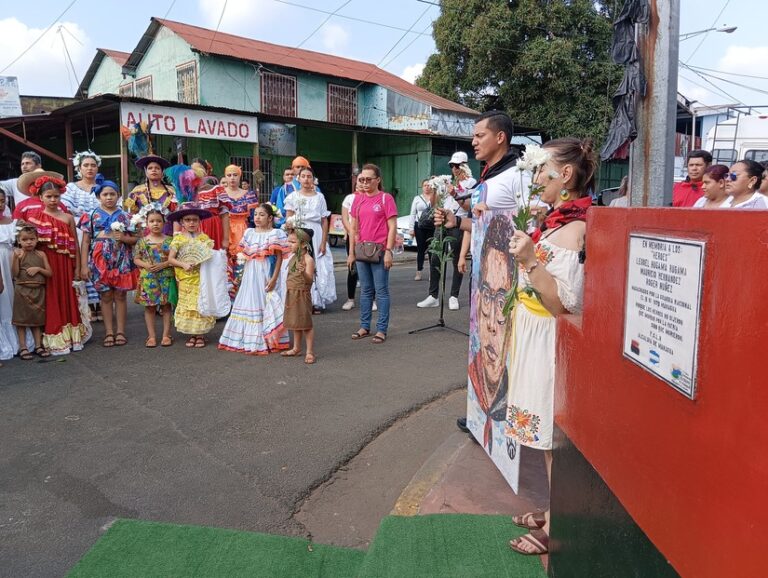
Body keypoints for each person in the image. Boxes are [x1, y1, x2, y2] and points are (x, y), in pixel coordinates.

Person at [502, 137, 595, 556]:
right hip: (530, 335)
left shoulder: (576, 229)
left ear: (566, 175)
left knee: (553, 438)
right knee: (539, 431)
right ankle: (554, 506)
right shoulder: (556, 220)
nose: (537, 177)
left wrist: (529, 262)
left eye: (543, 170)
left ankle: (558, 522)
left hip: (549, 341)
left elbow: (563, 304)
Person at [13, 171, 87, 355]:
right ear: (40, 197)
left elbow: (75, 246)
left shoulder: (68, 217)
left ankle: (72, 337)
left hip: (65, 264)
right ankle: (54, 337)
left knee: (68, 296)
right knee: (51, 299)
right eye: (49, 196)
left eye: (56, 196)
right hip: (47, 265)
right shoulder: (34, 218)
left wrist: (77, 267)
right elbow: (26, 242)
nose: (53, 200)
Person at [468, 213, 516, 451]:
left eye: (502, 300)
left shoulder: (515, 390)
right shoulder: (473, 376)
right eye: (487, 296)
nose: (491, 324)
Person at [219, 204, 289, 355]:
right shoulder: (249, 233)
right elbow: (244, 257)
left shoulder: (276, 233)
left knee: (266, 301)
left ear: (270, 218)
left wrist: (275, 278)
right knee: (249, 300)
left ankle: (269, 337)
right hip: (251, 273)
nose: (257, 217)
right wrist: (239, 276)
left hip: (266, 272)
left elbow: (278, 258)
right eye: (256, 214)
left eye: (262, 214)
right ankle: (248, 338)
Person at [80, 177, 137, 347]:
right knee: (105, 295)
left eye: (113, 194)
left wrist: (125, 238)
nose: (109, 197)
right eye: (105, 194)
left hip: (122, 258)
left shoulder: (127, 216)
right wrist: (84, 265)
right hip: (100, 260)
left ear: (118, 196)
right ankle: (109, 332)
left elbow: (135, 239)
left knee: (120, 294)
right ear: (98, 197)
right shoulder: (91, 216)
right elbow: (85, 242)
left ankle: (120, 331)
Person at [348, 164, 397, 344]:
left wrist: (389, 251)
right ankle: (364, 326)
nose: (365, 182)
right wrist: (351, 252)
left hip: (380, 250)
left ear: (378, 180)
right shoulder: (358, 200)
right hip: (361, 250)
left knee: (381, 291)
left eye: (369, 179)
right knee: (366, 291)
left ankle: (382, 329)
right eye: (362, 179)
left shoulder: (386, 199)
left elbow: (392, 227)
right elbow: (353, 228)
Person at [284, 166, 336, 313]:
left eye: (309, 176)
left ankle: (315, 302)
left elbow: (324, 220)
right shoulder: (293, 197)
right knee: (299, 264)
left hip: (316, 232)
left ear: (313, 179)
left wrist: (324, 241)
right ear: (298, 178)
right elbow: (289, 218)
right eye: (303, 176)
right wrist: (291, 236)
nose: (306, 179)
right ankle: (299, 300)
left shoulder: (319, 197)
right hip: (298, 232)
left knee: (316, 266)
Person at [167, 203, 216, 348]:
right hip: (185, 278)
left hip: (201, 277)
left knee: (200, 304)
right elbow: (170, 259)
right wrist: (183, 264)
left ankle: (200, 334)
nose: (191, 223)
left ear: (199, 221)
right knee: (188, 305)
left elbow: (209, 257)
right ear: (182, 222)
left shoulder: (204, 238)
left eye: (195, 220)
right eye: (188, 220)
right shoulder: (178, 239)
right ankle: (192, 333)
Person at [63, 150, 104, 317]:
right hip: (79, 232)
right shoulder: (72, 188)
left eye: (93, 165)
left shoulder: (102, 187)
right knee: (82, 266)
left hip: (100, 230)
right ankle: (86, 306)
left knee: (99, 263)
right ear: (79, 168)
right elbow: (66, 210)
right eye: (86, 165)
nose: (90, 168)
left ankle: (100, 303)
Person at [417, 180, 464, 311]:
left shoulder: (470, 183)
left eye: (457, 166)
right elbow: (433, 205)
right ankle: (433, 296)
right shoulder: (445, 182)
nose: (455, 169)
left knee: (456, 260)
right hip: (441, 222)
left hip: (457, 222)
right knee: (435, 259)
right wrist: (435, 190)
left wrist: (454, 193)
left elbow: (467, 207)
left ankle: (454, 296)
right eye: (453, 166)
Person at [133, 206, 175, 348]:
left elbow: (174, 259)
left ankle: (166, 335)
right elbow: (136, 259)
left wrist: (164, 265)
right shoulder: (142, 241)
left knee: (166, 306)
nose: (155, 224)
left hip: (166, 277)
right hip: (149, 278)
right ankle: (151, 336)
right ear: (147, 223)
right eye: (152, 221)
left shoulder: (170, 240)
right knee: (150, 308)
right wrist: (145, 265)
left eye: (158, 221)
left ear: (164, 223)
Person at [11, 222, 52, 360]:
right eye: (24, 240)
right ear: (19, 240)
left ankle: (38, 346)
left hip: (38, 290)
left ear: (37, 239)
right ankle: (23, 347)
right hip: (22, 290)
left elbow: (50, 273)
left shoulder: (41, 254)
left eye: (32, 239)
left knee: (37, 320)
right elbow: (15, 274)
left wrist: (38, 269)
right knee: (21, 320)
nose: (28, 242)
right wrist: (16, 259)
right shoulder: (18, 254)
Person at [281, 228, 316, 364]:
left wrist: (303, 273)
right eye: (288, 241)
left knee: (305, 323)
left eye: (292, 242)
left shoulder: (308, 260)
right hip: (292, 292)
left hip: (302, 294)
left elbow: (309, 280)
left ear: (303, 244)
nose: (289, 244)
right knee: (295, 321)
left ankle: (310, 352)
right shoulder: (293, 257)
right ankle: (296, 348)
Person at [124, 155, 177, 232]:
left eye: (157, 168)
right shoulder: (137, 191)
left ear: (162, 172)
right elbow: (132, 215)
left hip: (167, 233)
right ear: (146, 172)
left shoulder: (171, 191)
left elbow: (176, 215)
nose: (154, 170)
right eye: (150, 168)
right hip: (144, 233)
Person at [222, 165, 259, 262]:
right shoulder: (220, 194)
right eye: (229, 175)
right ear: (225, 177)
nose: (232, 178)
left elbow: (254, 217)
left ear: (240, 176)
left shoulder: (249, 194)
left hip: (243, 230)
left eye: (235, 175)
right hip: (224, 230)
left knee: (241, 260)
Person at [195, 177, 231, 251]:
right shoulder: (188, 192)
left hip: (213, 226)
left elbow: (225, 214)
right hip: (194, 227)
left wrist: (226, 239)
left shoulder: (217, 190)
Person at [409, 179, 435, 282]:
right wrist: (411, 228)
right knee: (420, 249)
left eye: (429, 185)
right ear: (422, 187)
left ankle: (432, 273)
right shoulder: (417, 198)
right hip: (419, 226)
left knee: (431, 249)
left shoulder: (434, 197)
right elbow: (412, 213)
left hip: (431, 226)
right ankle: (419, 271)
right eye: (425, 185)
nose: (427, 187)